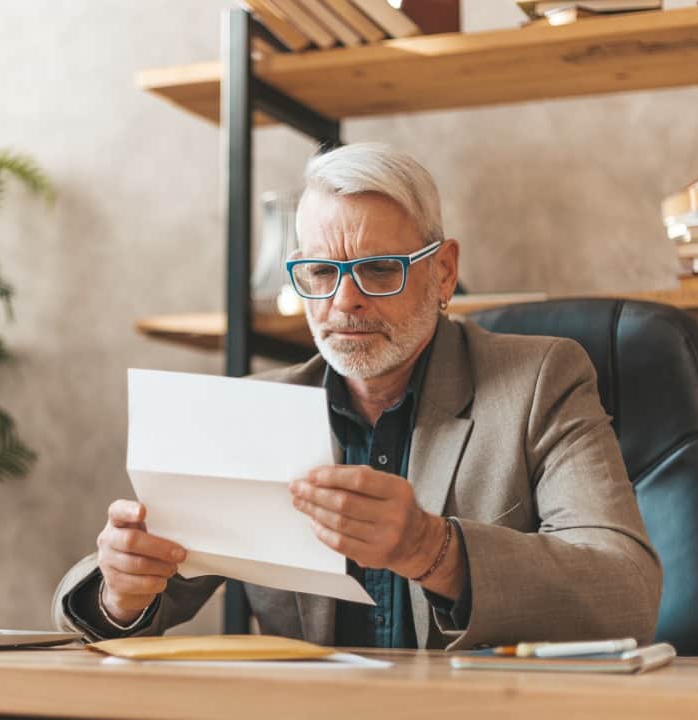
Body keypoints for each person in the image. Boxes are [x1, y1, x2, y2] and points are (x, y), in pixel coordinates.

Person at [52, 143, 661, 650]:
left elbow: (627, 591)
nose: (344, 302)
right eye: (320, 272)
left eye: (378, 269)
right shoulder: (254, 412)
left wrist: (433, 549)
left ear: (443, 272)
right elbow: (119, 601)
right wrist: (121, 591)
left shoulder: (540, 382)